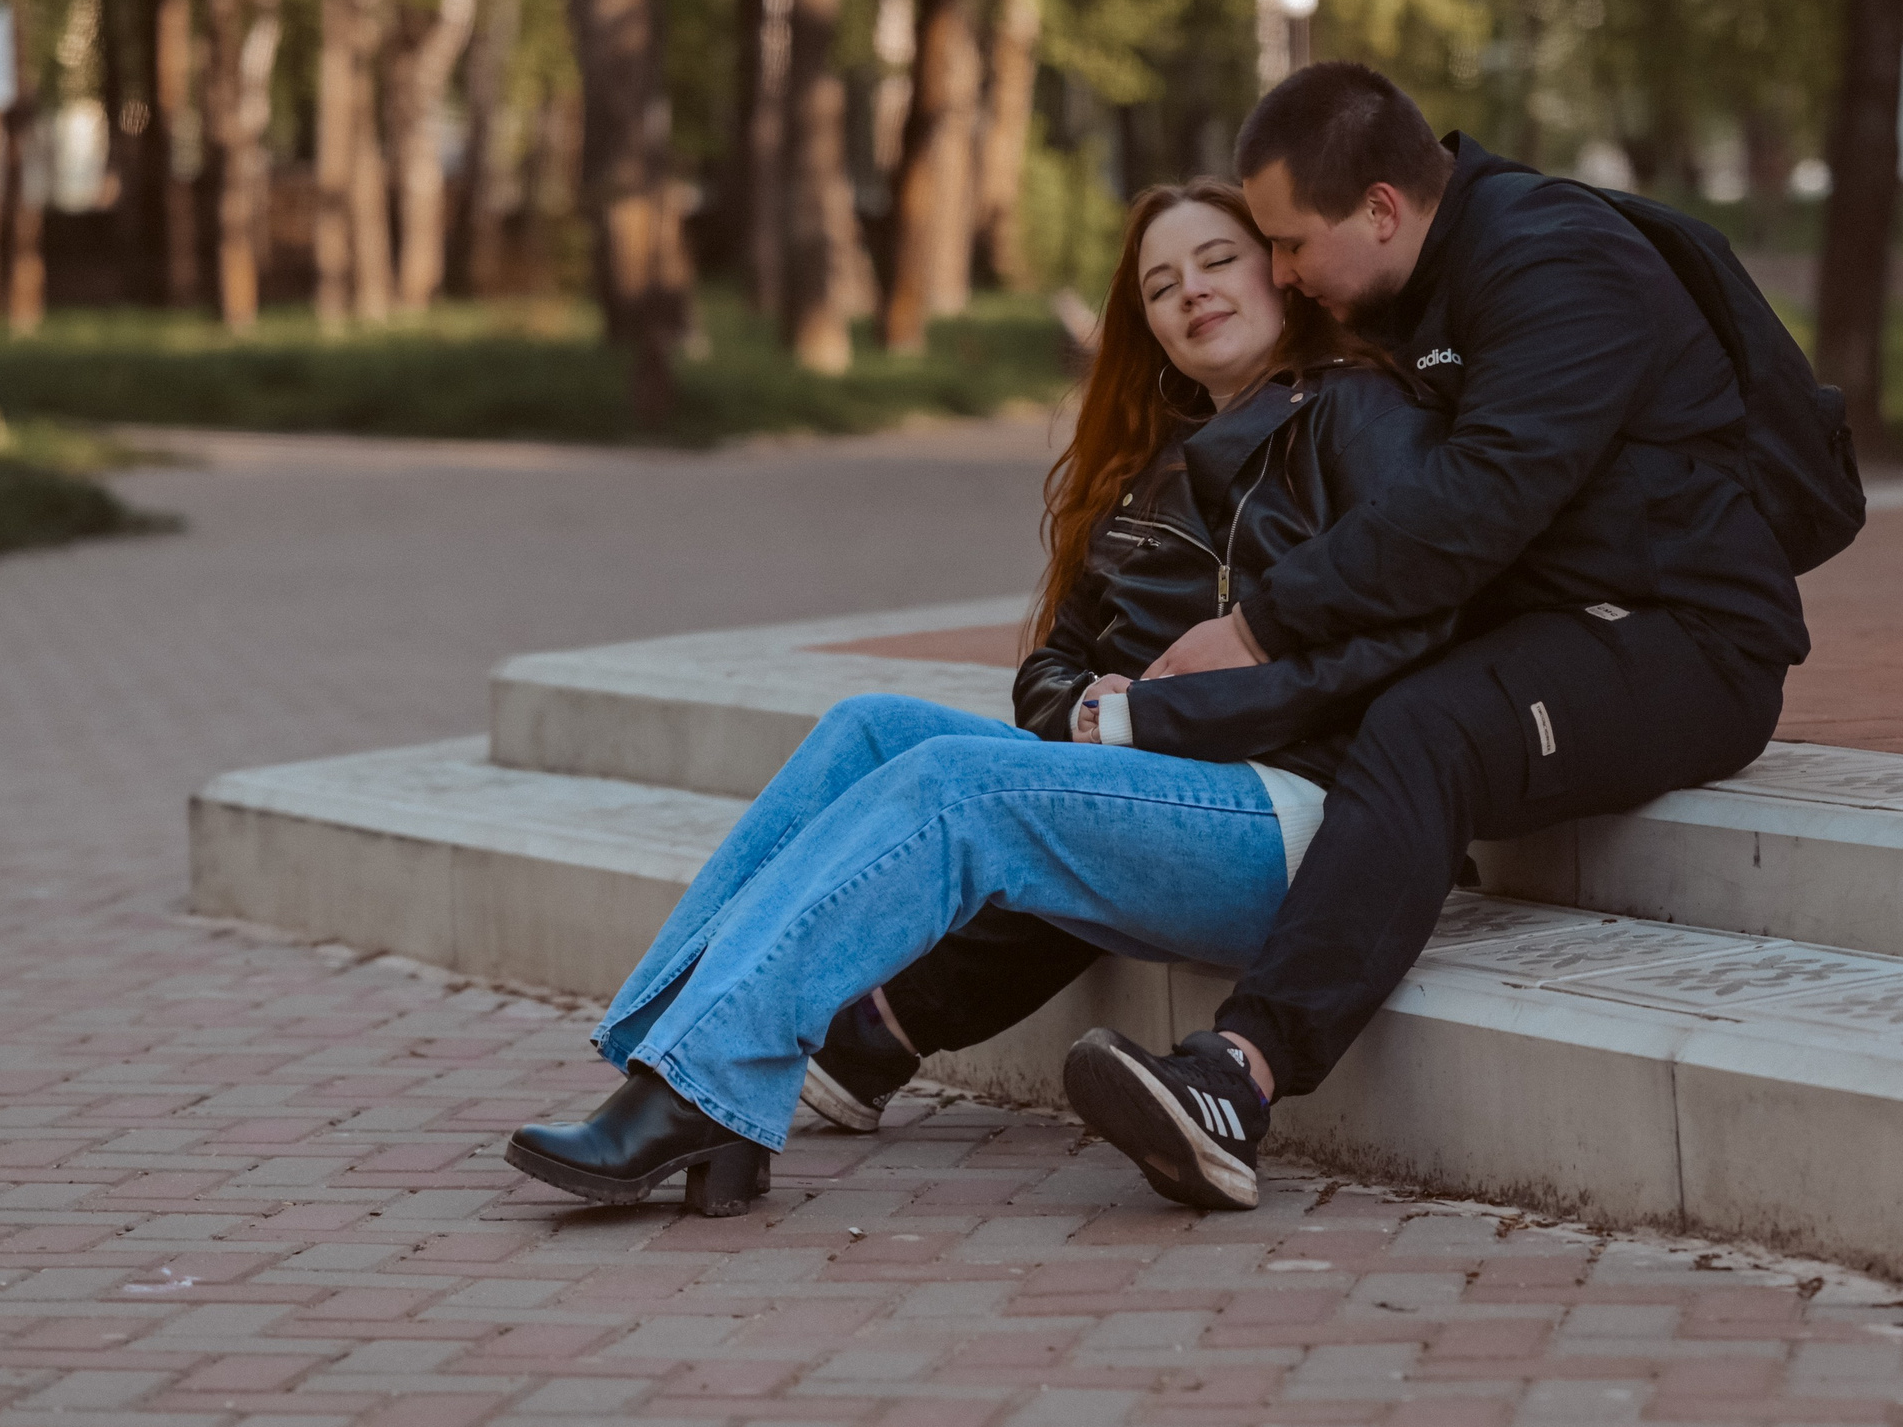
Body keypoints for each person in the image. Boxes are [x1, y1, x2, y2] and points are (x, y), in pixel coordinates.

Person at [503, 176, 1453, 1214]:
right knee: (870, 727)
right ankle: (668, 1063)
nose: (1191, 291)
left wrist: (1143, 716)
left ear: (1282, 271)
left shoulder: (1360, 413)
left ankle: (703, 1082)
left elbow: (1394, 641)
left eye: (1218, 260)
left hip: (1294, 819)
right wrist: (1087, 712)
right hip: (1148, 797)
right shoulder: (1151, 470)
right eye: (1160, 285)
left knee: (958, 785)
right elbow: (1052, 664)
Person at [1046, 63, 1811, 1210]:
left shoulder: (1557, 261)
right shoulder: (1406, 281)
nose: (1280, 272)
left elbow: (1477, 503)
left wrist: (1258, 625)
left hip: (1684, 637)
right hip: (1534, 623)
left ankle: (1235, 1081)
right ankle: (888, 1025)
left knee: (1423, 726)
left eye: (1289, 244)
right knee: (1260, 731)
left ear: (1380, 209)